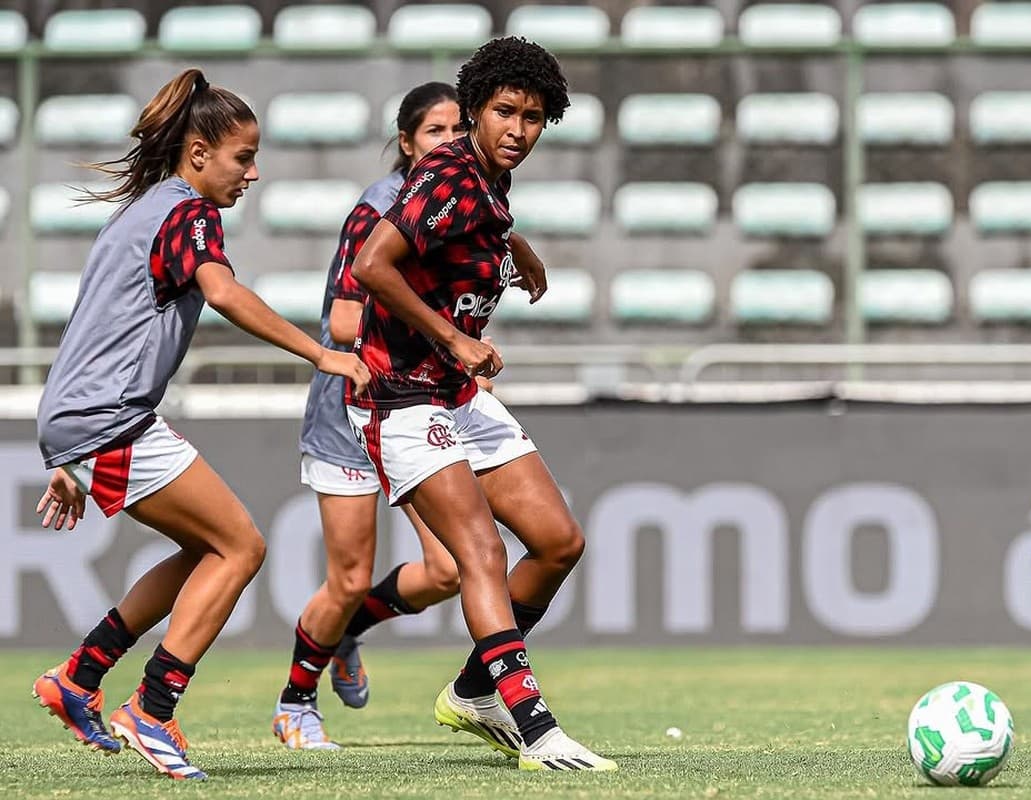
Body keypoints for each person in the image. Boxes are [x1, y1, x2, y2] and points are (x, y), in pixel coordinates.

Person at [31, 68, 370, 781]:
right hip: (106, 418)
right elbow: (224, 293)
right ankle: (152, 709)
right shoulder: (188, 213)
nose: (253, 172)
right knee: (241, 547)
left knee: (205, 551)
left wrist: (63, 449)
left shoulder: (140, 209)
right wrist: (321, 353)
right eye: (243, 157)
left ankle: (78, 678)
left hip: (86, 416)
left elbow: (94, 328)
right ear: (198, 154)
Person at [348, 37, 615, 771]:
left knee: (559, 542)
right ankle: (535, 727)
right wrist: (453, 339)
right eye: (505, 112)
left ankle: (474, 690)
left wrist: (513, 242)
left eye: (533, 117)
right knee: (482, 555)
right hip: (405, 393)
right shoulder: (449, 170)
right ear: (473, 109)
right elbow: (374, 264)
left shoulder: (487, 182)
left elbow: (466, 220)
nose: (518, 131)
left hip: (456, 394)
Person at [274, 82, 492, 750]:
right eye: (436, 131)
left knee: (450, 571)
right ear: (407, 143)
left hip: (411, 401)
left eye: (461, 129)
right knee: (346, 575)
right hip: (351, 410)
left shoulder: (465, 205)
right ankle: (295, 704)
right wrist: (441, 332)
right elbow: (344, 319)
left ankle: (348, 633)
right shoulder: (381, 206)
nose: (451, 142)